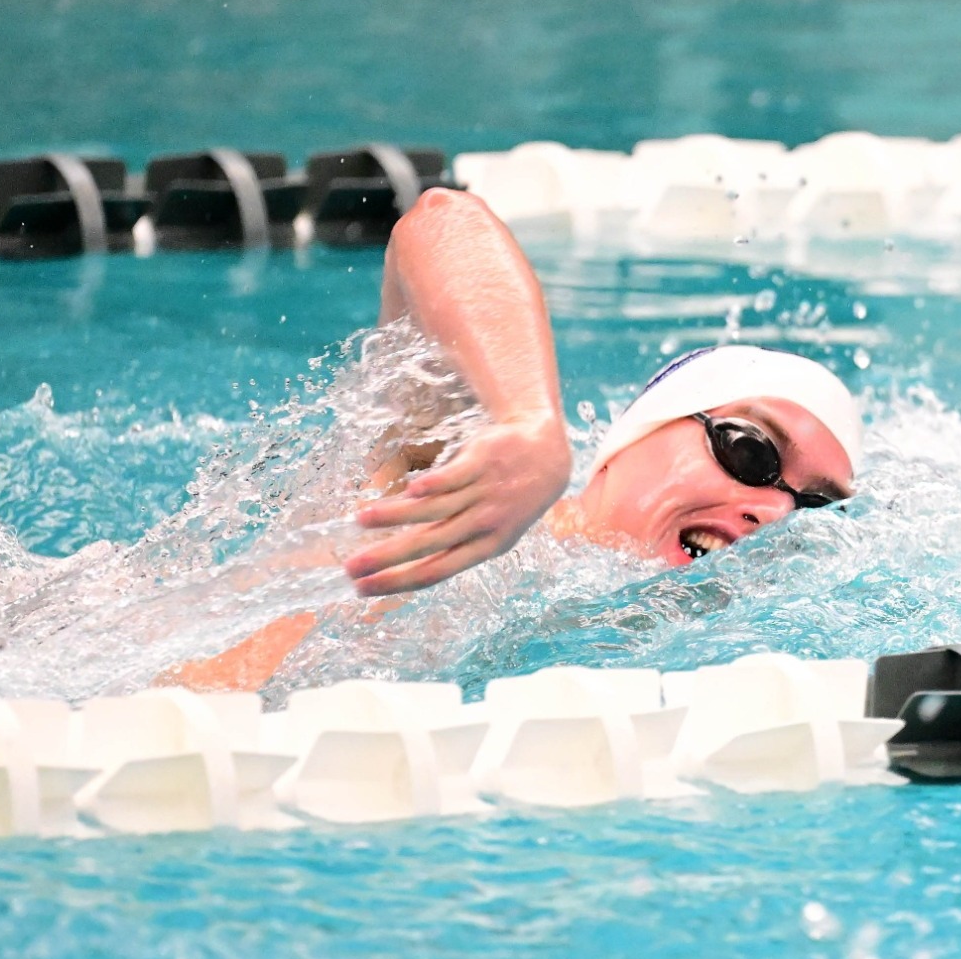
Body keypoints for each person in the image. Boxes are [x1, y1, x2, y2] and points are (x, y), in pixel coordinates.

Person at [169, 188, 862, 689]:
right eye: (750, 453)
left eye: (814, 506)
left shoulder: (651, 654)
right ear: (632, 438)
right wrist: (526, 423)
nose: (774, 513)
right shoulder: (458, 488)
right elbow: (441, 222)